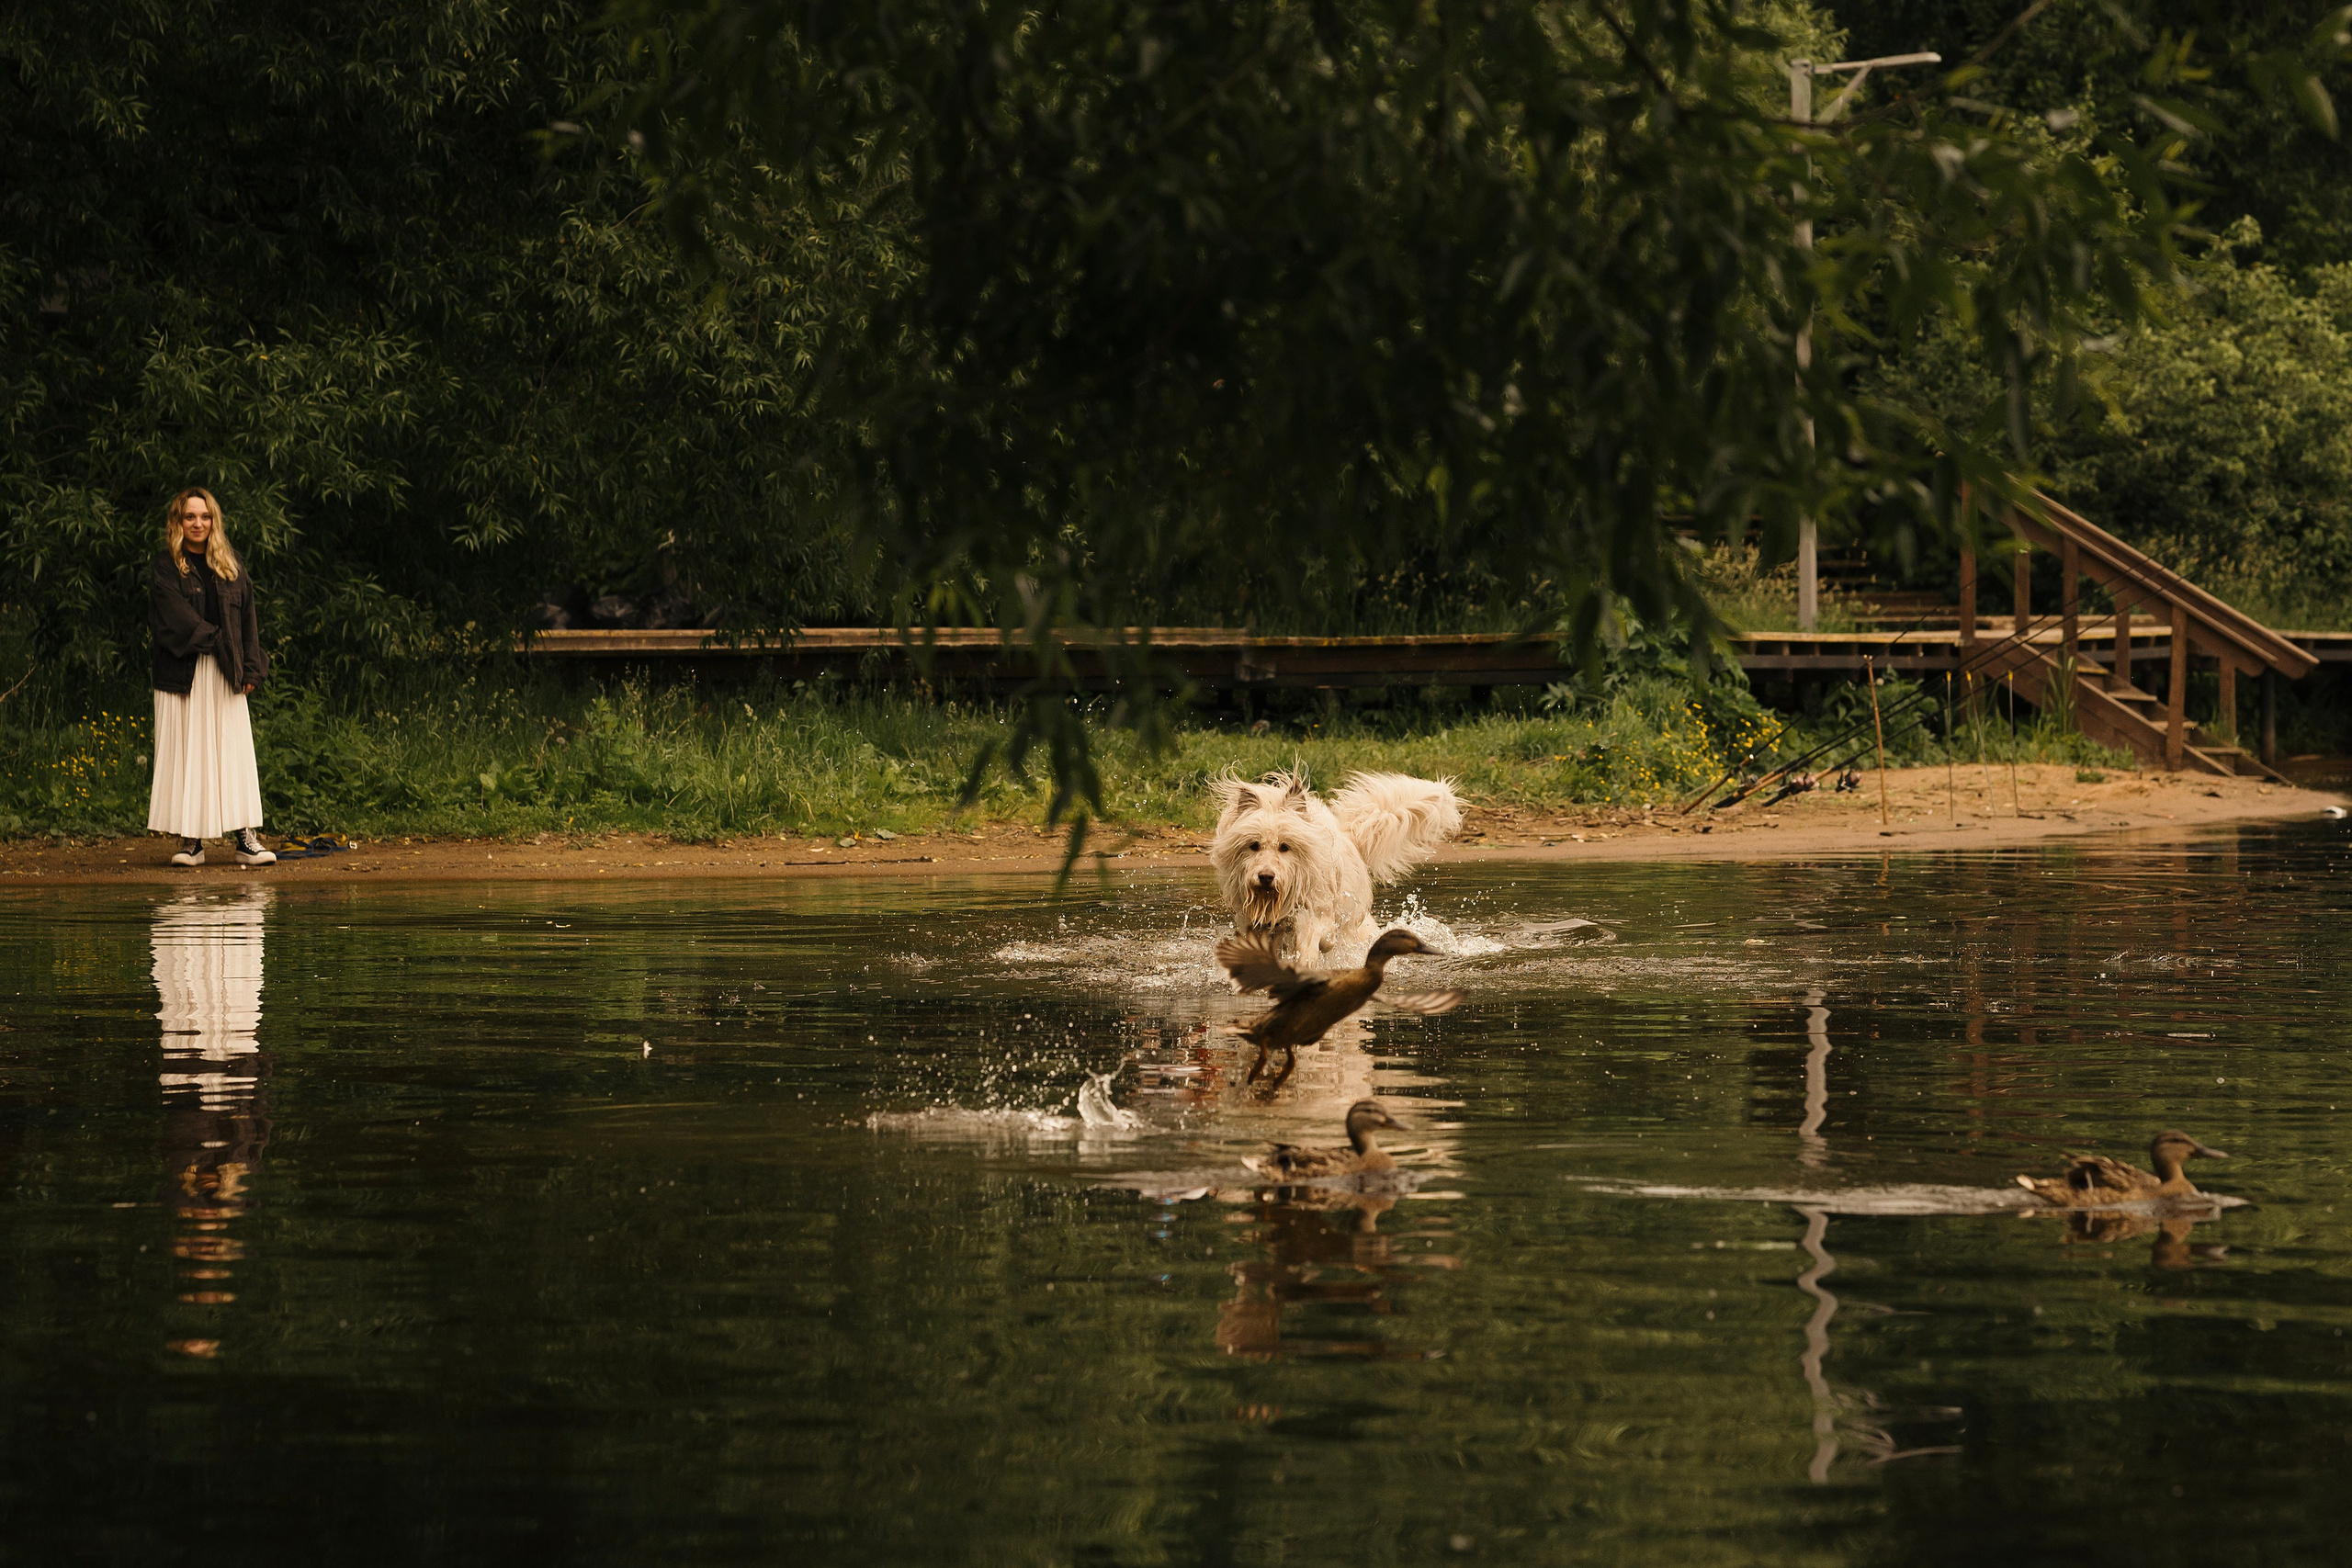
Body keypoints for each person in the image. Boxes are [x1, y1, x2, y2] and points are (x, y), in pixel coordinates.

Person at [148, 488, 275, 867]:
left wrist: (251, 666)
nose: (198, 523)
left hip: (226, 671)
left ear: (213, 520)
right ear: (178, 522)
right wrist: (220, 640)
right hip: (183, 674)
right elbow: (175, 618)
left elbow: (248, 618)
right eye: (190, 517)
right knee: (188, 753)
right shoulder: (166, 565)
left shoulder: (231, 563)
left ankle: (244, 839)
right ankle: (191, 842)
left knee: (231, 753)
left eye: (204, 517)